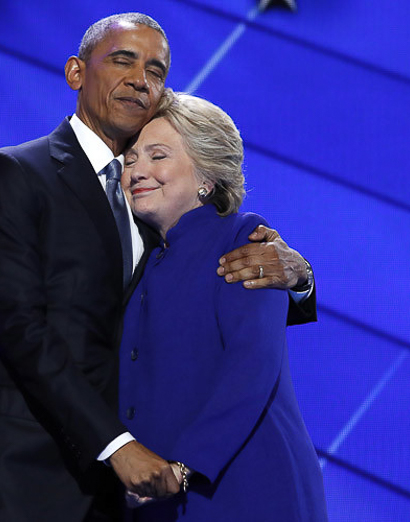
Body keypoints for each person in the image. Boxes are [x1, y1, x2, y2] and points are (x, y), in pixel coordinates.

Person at [0, 13, 316, 522]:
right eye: (122, 60)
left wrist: (301, 278)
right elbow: (24, 322)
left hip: (137, 490)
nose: (141, 79)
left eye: (156, 70)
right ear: (75, 72)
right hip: (25, 478)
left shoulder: (166, 219)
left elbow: (220, 311)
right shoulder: (13, 174)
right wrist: (117, 446)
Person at [116, 92, 327, 520]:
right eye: (131, 158)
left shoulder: (244, 239)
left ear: (206, 177)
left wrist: (185, 465)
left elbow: (252, 366)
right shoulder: (142, 259)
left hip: (245, 490)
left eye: (158, 156)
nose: (138, 171)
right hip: (162, 498)